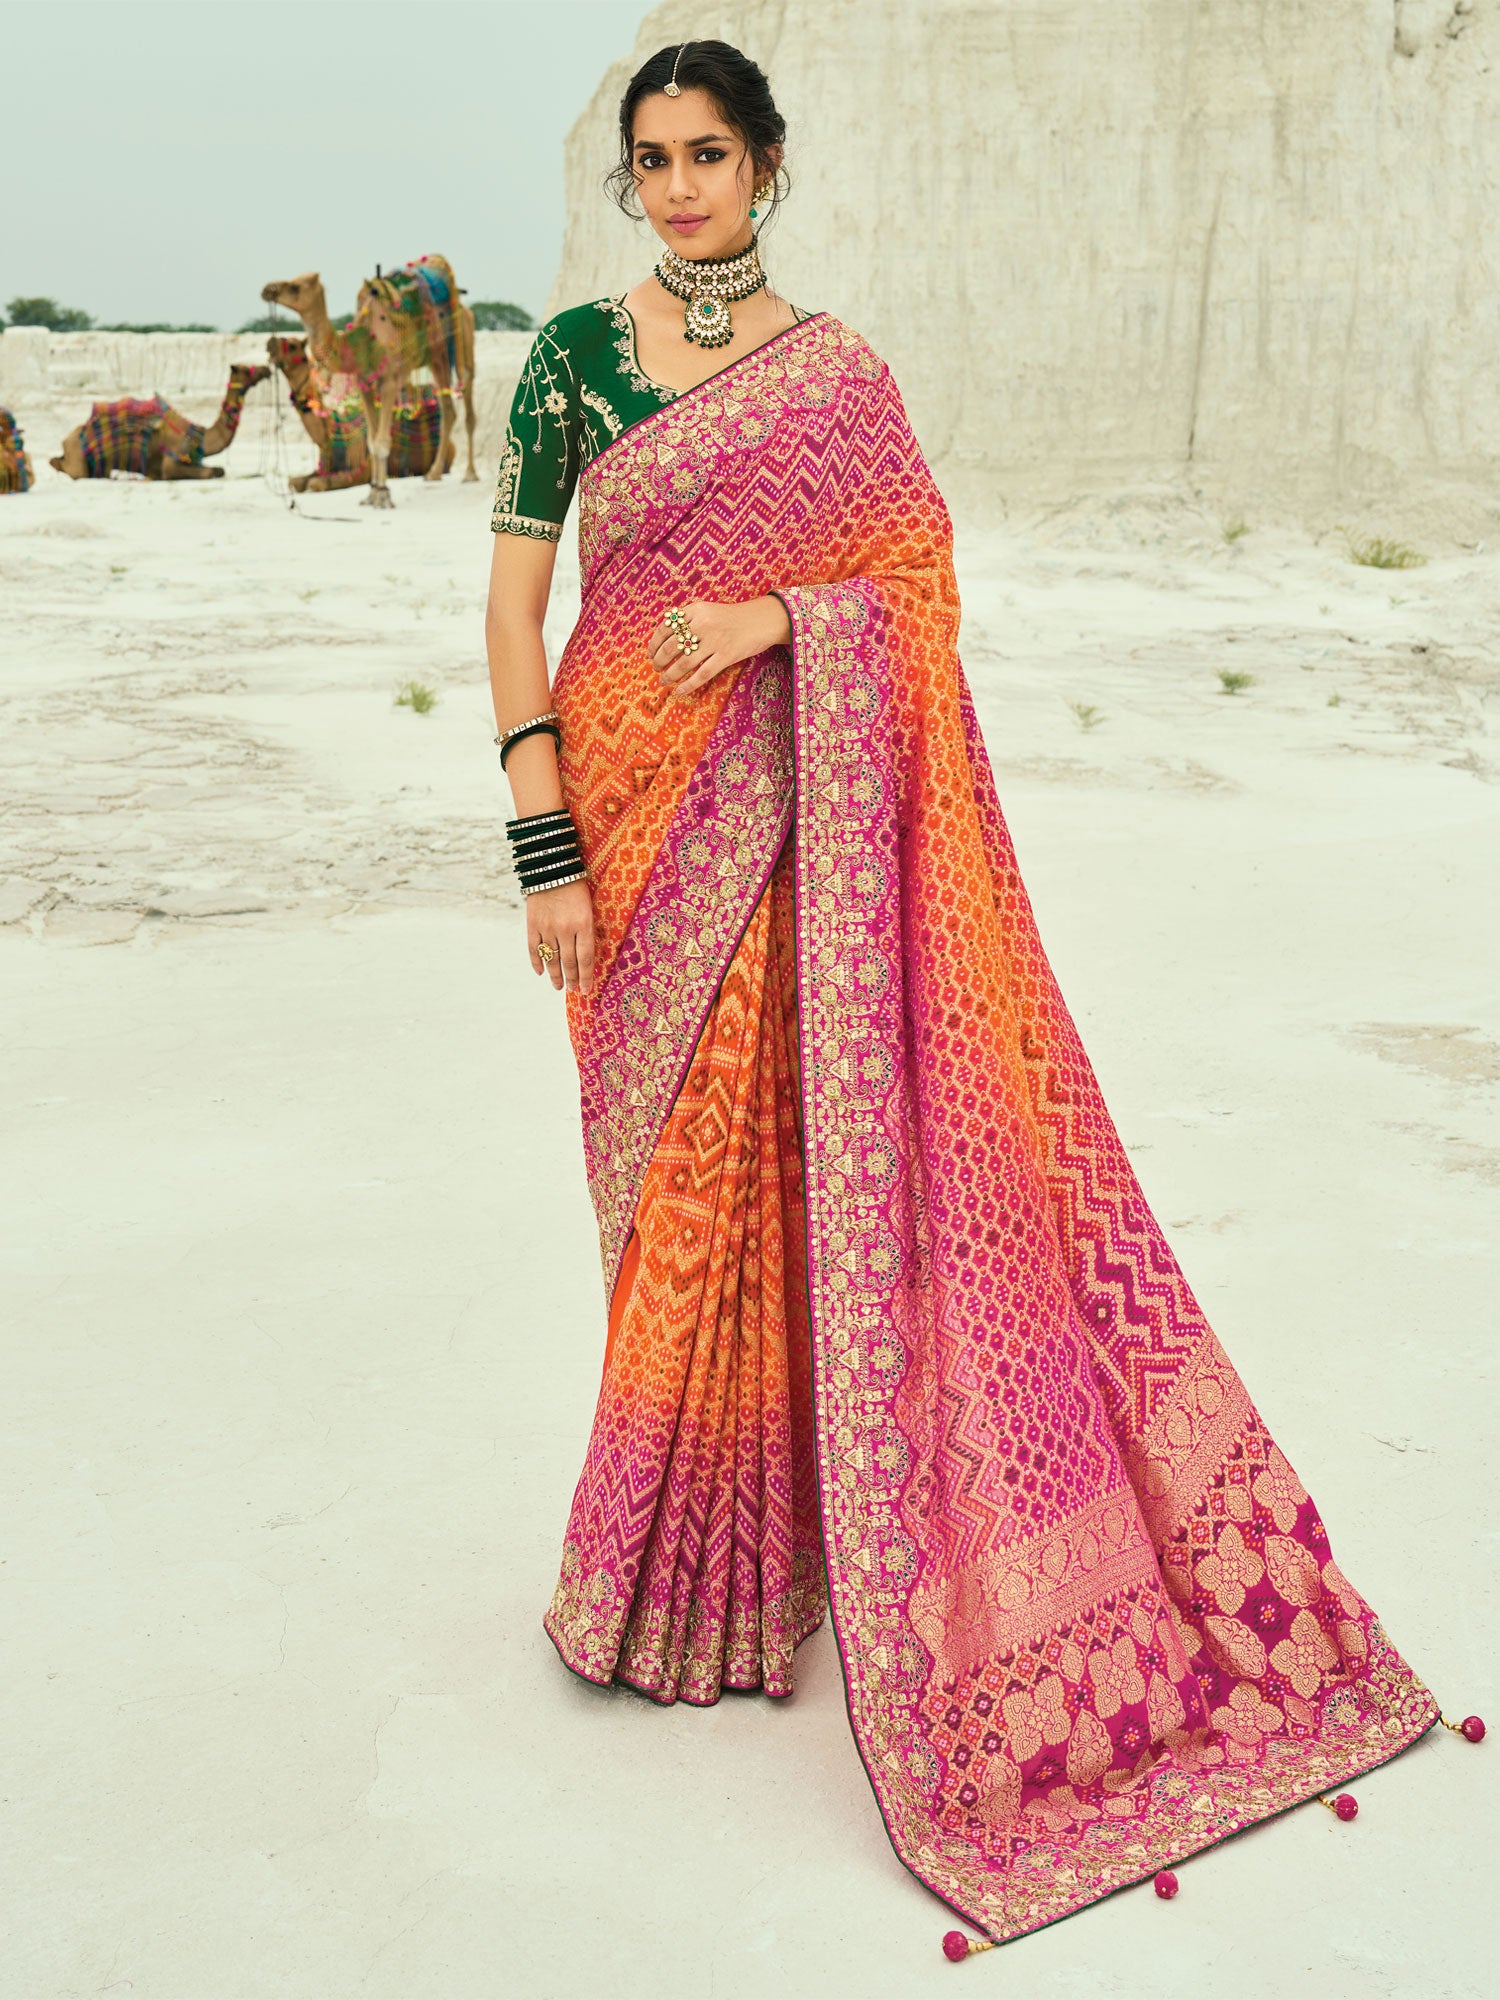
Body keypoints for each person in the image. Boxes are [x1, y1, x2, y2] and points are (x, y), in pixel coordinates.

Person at [483, 37, 1470, 1958]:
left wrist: (785, 619)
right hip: (629, 805)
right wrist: (544, 847)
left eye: (708, 156)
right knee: (664, 1186)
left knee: (768, 1187)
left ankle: (756, 1570)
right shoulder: (572, 363)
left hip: (799, 822)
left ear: (768, 167)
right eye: (649, 162)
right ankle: (683, 1563)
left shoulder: (838, 378)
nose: (678, 189)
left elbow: (918, 591)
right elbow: (514, 610)